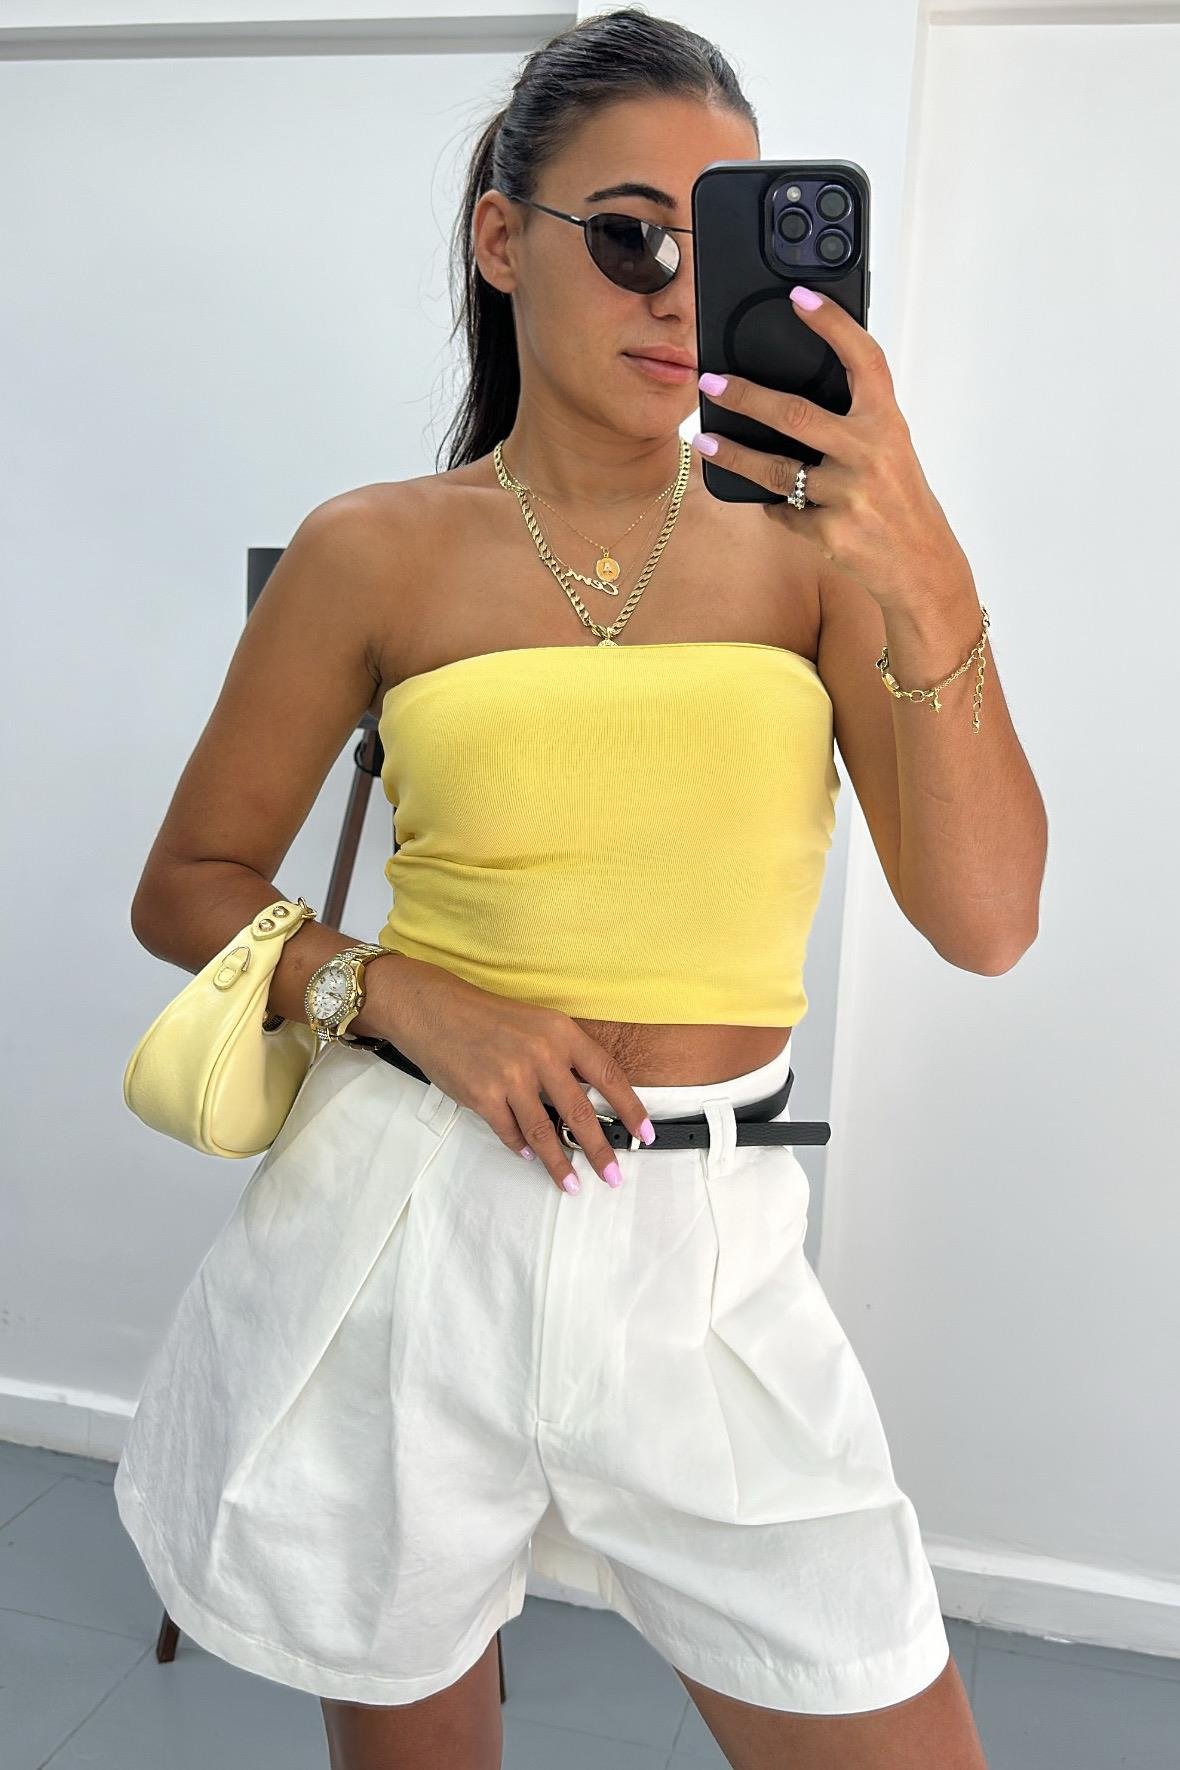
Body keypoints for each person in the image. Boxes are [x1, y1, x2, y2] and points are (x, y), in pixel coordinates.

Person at [114, 8, 1045, 1767]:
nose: (680, 293)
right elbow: (189, 884)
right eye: (631, 237)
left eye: (726, 246)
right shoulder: (372, 549)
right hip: (408, 1222)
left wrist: (919, 559)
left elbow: (988, 921)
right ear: (501, 237)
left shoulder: (816, 556)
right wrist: (406, 997)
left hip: (706, 1251)